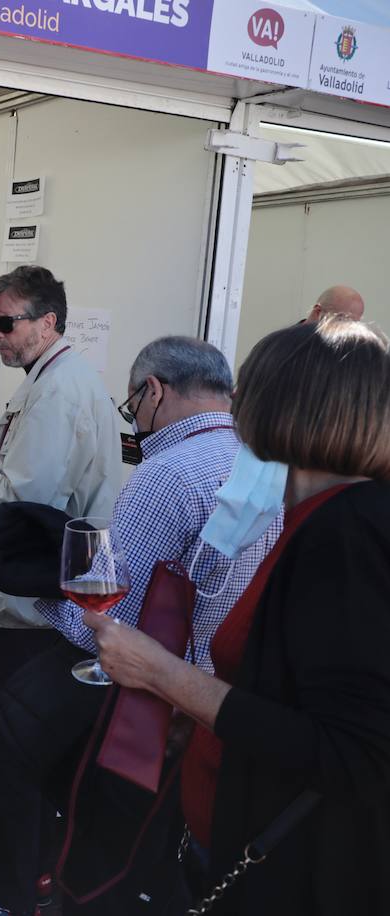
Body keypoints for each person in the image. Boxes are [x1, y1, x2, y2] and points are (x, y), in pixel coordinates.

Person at [89, 315, 390, 915]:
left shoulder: (346, 531)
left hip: (290, 870)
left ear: (278, 407)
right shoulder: (320, 514)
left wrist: (163, 675)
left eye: (245, 394)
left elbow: (353, 751)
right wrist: (199, 714)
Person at [0, 337, 281, 916]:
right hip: (229, 703)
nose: (134, 419)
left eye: (133, 405)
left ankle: (21, 892)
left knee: (99, 849)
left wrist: (41, 594)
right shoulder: (261, 458)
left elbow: (110, 622)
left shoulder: (166, 471)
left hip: (156, 710)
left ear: (154, 391)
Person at [0, 266, 120, 906]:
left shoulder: (58, 390)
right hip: (50, 601)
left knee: (17, 758)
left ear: (48, 322)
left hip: (35, 608)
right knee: (34, 759)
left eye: (6, 324)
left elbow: (24, 501)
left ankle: (15, 892)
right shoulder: (58, 380)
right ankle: (30, 871)